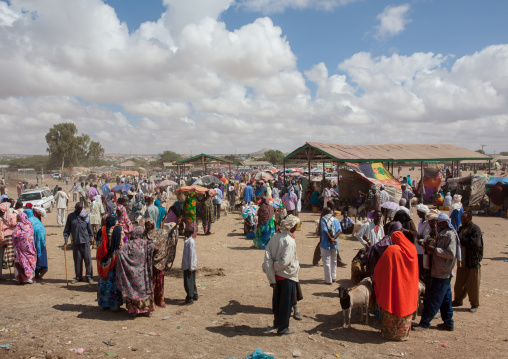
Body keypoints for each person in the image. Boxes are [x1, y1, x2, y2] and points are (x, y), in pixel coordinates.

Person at [413, 213, 459, 332]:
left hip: (442, 271)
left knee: (434, 298)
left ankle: (424, 323)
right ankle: (448, 322)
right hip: (440, 270)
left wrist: (435, 250)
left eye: (442, 223)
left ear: (446, 223)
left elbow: (451, 254)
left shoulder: (450, 235)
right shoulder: (442, 234)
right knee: (446, 299)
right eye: (439, 223)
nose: (440, 225)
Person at [374, 231, 419, 341]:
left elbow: (380, 268)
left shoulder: (392, 250)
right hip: (408, 287)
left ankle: (389, 334)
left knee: (392, 303)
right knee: (404, 305)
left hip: (393, 286)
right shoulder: (412, 249)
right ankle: (403, 334)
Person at [262, 215, 300, 335]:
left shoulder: (274, 238)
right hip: (287, 276)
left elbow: (268, 257)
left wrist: (271, 269)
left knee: (278, 302)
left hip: (276, 277)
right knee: (286, 303)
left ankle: (277, 322)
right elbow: (285, 261)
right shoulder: (289, 241)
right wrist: (275, 267)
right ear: (291, 226)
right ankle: (283, 328)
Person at [116, 226, 155, 317]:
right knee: (143, 291)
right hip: (142, 273)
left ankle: (134, 310)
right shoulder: (145, 243)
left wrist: (128, 263)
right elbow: (154, 247)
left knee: (133, 290)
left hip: (132, 273)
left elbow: (119, 253)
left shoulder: (128, 244)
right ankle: (145, 309)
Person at [452, 211, 483, 313]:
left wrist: (461, 239)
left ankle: (474, 304)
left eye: (464, 220)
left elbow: (474, 243)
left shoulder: (475, 229)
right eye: (461, 220)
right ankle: (458, 300)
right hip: (462, 261)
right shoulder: (461, 229)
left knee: (472, 285)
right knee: (459, 284)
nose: (462, 221)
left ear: (470, 219)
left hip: (472, 262)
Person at [96, 214, 123, 310]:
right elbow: (122, 245)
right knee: (113, 283)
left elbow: (98, 245)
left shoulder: (100, 231)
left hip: (102, 262)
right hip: (113, 261)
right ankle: (114, 305)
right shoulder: (118, 231)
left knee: (103, 281)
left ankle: (104, 303)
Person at [63, 203, 94, 284]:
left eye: (81, 209)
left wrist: (91, 238)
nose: (80, 211)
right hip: (76, 242)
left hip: (85, 241)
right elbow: (67, 229)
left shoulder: (86, 216)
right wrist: (66, 239)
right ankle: (78, 277)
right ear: (75, 208)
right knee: (77, 260)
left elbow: (89, 229)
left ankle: (89, 276)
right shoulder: (71, 216)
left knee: (87, 260)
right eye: (78, 209)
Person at [11, 212, 37, 284]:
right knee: (30, 261)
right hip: (30, 248)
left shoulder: (19, 226)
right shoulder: (29, 225)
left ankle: (21, 279)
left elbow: (14, 235)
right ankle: (30, 279)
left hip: (20, 249)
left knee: (20, 262)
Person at [320, 208, 342, 284]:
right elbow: (339, 230)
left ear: (325, 212)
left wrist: (330, 239)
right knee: (334, 260)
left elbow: (325, 230)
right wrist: (333, 239)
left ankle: (328, 280)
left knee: (327, 261)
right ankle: (334, 277)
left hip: (326, 243)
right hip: (335, 243)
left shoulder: (324, 219)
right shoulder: (335, 220)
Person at [24, 209, 48, 279]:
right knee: (41, 248)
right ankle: (43, 267)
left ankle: (37, 270)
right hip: (42, 233)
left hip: (35, 234)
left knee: (35, 250)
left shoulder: (28, 220)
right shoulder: (35, 218)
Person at [182, 226, 198, 305]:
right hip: (188, 265)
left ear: (190, 233)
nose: (184, 232)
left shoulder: (190, 242)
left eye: (186, 231)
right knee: (192, 281)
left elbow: (191, 255)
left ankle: (190, 297)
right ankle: (194, 294)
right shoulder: (187, 241)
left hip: (189, 266)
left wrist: (190, 269)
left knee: (188, 283)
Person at [0, 202, 17, 278]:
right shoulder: (11, 215)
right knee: (10, 250)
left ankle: (5, 264)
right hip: (8, 235)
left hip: (4, 235)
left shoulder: (2, 217)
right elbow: (13, 224)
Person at [415, 204, 431, 281]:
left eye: (418, 212)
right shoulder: (420, 222)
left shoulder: (429, 223)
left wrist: (422, 238)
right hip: (418, 248)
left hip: (423, 249)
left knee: (423, 268)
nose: (417, 214)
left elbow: (430, 236)